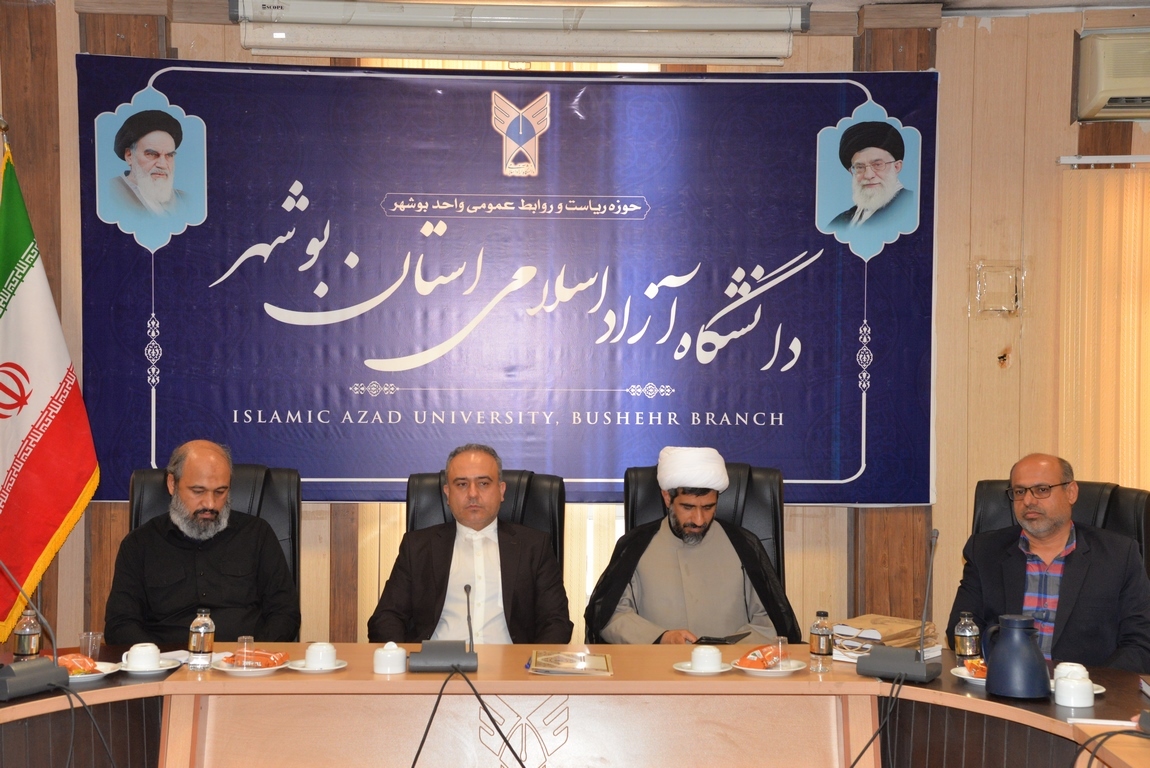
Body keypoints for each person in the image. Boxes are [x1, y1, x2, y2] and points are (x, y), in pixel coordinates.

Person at [947, 453, 1150, 673]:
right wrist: (998, 673)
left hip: (1087, 688)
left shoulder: (1119, 555)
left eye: (1042, 489)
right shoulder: (985, 551)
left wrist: (1087, 684)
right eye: (1019, 491)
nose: (1028, 501)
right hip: (1005, 683)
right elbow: (962, 630)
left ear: (1071, 492)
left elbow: (1140, 643)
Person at [584, 446, 801, 644]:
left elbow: (771, 622)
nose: (698, 520)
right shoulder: (635, 545)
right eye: (688, 507)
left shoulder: (743, 545)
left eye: (708, 507)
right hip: (656, 667)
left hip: (731, 668)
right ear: (667, 498)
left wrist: (725, 650)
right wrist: (660, 638)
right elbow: (610, 616)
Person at [367, 444, 573, 644]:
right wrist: (399, 659)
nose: (473, 494)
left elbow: (556, 621)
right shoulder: (417, 547)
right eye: (461, 484)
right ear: (447, 493)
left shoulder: (534, 547)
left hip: (510, 664)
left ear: (501, 490)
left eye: (483, 483)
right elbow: (386, 617)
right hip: (435, 662)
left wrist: (532, 664)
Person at [103, 440, 300, 645]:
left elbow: (285, 612)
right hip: (167, 660)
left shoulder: (257, 534)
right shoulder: (139, 544)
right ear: (172, 484)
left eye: (220, 492)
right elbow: (120, 624)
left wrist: (253, 656)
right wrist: (155, 658)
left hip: (244, 660)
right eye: (198, 491)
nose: (210, 504)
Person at [827, 121, 916, 232]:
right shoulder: (839, 222)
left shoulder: (914, 207)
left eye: (877, 165)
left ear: (897, 167)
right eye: (859, 167)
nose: (868, 175)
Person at [108, 109, 188, 216]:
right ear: (129, 155)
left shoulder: (184, 199)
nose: (162, 165)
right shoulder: (109, 194)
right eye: (152, 154)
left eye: (169, 155)